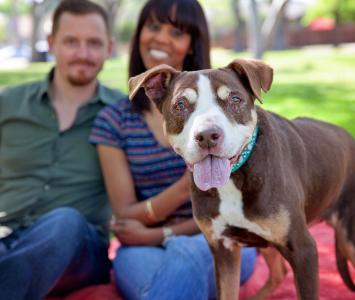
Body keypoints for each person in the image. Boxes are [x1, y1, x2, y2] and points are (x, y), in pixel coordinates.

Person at [89, 0, 257, 299]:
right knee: (177, 275)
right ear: (139, 32)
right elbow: (126, 218)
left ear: (193, 44)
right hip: (142, 250)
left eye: (177, 32)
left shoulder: (227, 113)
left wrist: (162, 233)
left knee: (186, 257)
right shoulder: (113, 120)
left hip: (225, 239)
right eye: (154, 26)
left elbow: (241, 209)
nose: (162, 38)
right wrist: (183, 189)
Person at [0, 0, 124, 299]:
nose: (83, 54)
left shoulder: (123, 113)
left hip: (78, 249)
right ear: (52, 43)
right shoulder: (9, 103)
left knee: (64, 220)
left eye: (93, 43)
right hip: (6, 234)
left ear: (108, 48)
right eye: (71, 42)